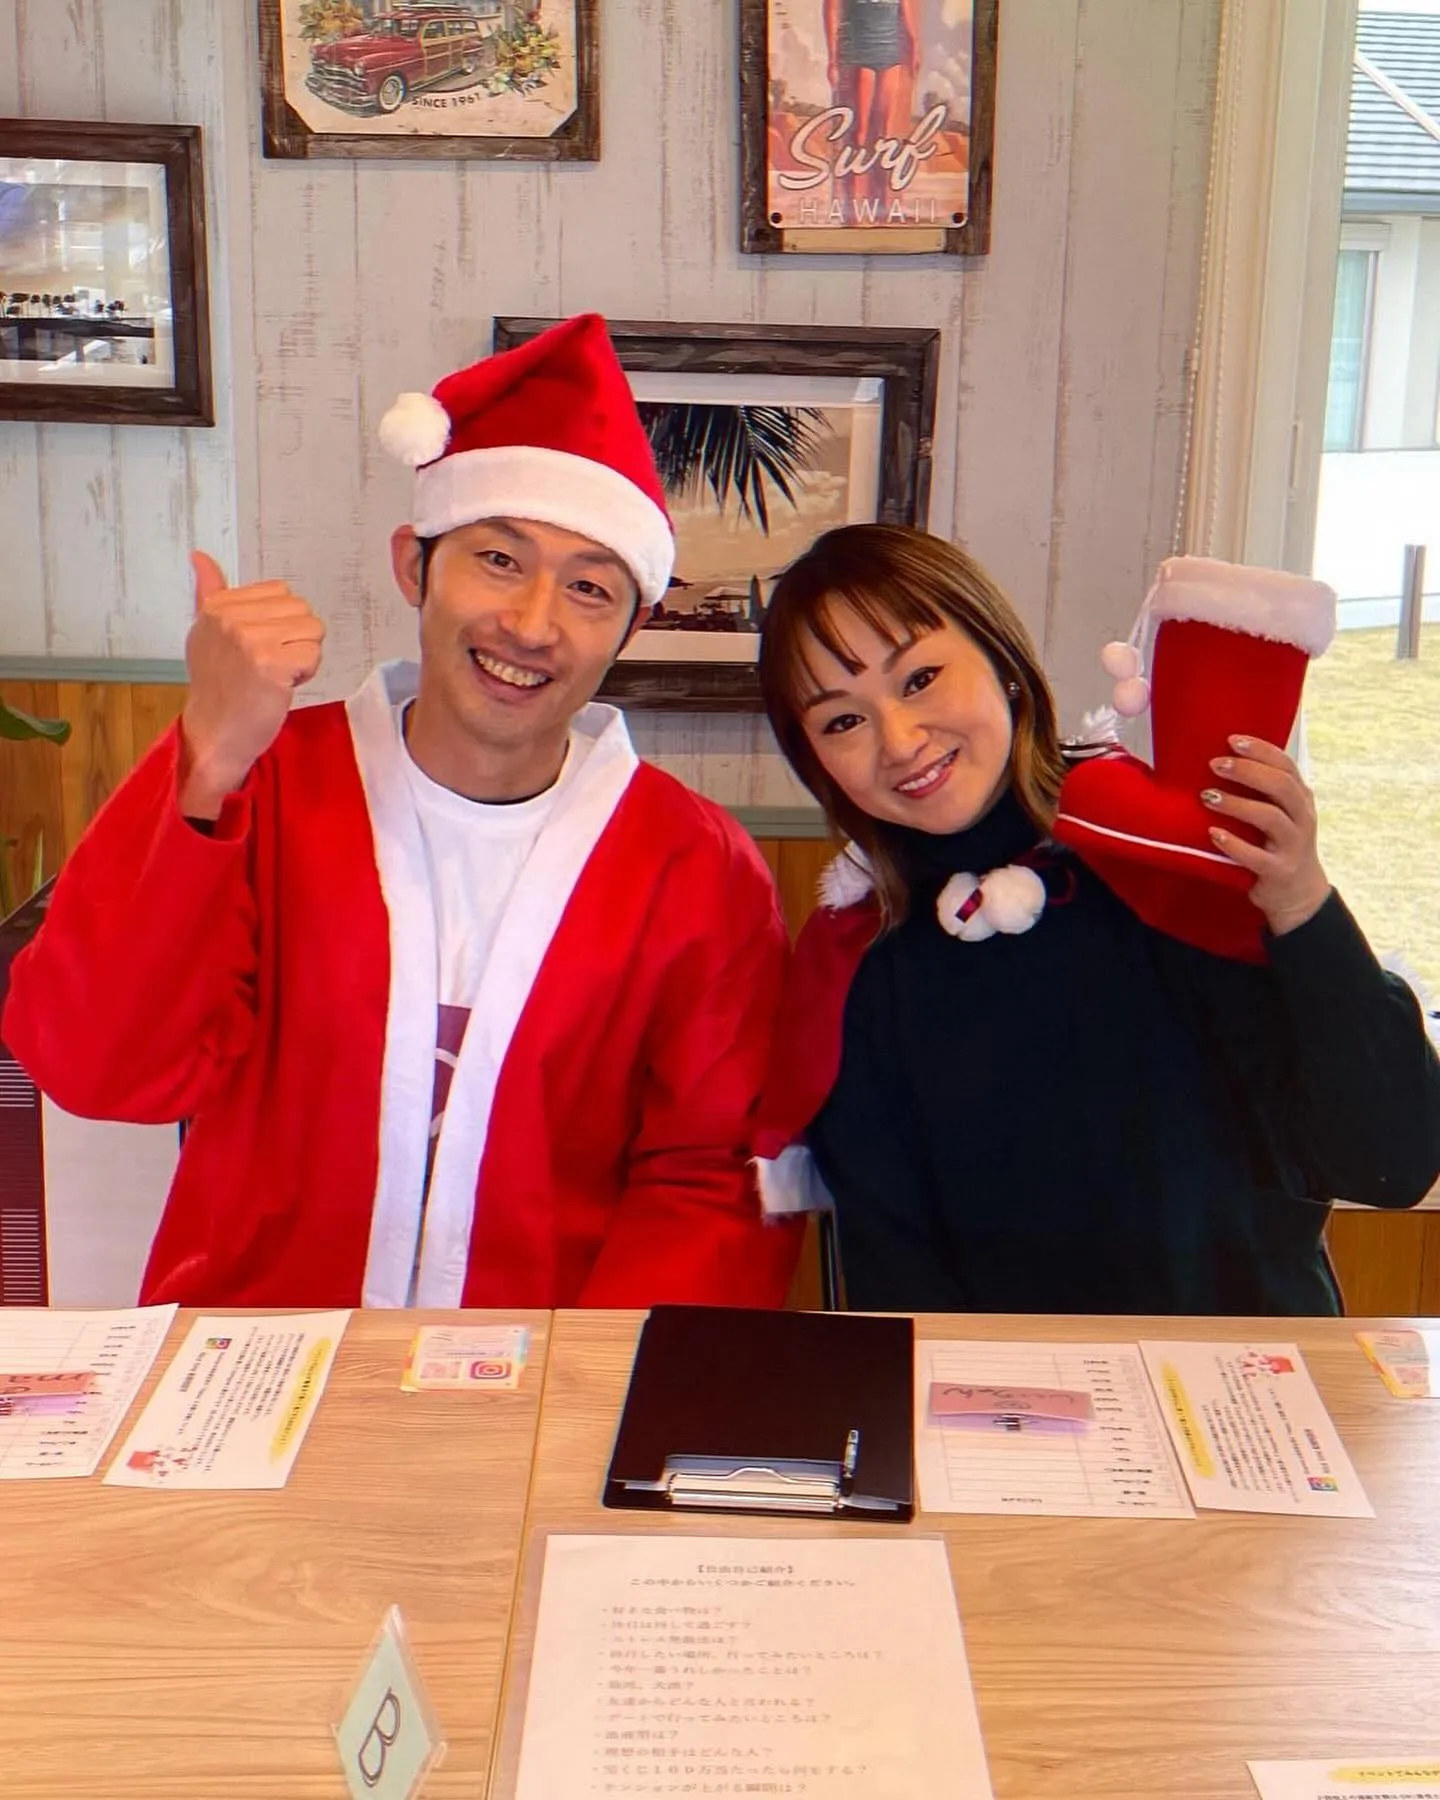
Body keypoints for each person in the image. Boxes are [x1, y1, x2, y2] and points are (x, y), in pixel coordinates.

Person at [4, 314, 801, 1310]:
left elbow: (711, 1182)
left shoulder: (698, 869)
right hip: (256, 1375)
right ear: (414, 566)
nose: (533, 623)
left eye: (590, 587)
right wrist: (208, 751)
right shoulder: (273, 788)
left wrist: (589, 1404)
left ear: (628, 629)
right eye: (498, 560)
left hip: (542, 1396)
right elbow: (97, 1069)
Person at [751, 523, 1440, 1315]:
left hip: (1248, 1401)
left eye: (919, 679)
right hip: (1009, 1418)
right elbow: (896, 1280)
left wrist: (1300, 901)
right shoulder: (862, 963)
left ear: (1002, 663)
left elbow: (1392, 1161)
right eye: (842, 721)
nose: (901, 742)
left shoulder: (1165, 862)